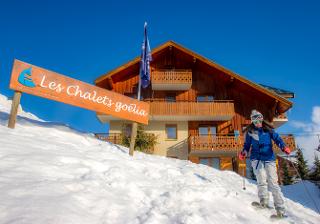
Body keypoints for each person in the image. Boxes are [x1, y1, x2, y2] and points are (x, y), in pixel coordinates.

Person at [238, 109, 291, 217]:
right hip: (256, 159)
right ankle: (264, 202)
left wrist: (284, 147)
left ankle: (280, 208)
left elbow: (278, 139)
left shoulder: (268, 130)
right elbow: (247, 145)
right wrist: (244, 152)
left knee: (273, 183)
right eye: (254, 121)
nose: (257, 123)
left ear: (261, 119)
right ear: (252, 121)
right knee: (261, 180)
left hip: (269, 158)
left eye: (258, 120)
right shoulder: (250, 132)